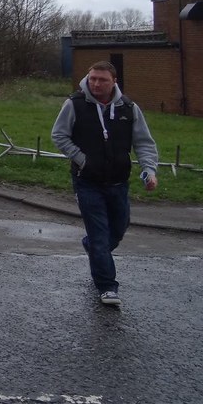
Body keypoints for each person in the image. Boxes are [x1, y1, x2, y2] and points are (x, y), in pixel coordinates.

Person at [51, 61, 159, 307]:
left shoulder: (129, 108)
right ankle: (107, 286)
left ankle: (92, 248)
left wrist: (149, 171)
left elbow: (143, 142)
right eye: (92, 79)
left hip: (119, 182)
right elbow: (59, 135)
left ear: (114, 82)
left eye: (102, 80)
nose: (96, 84)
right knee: (100, 235)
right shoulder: (75, 104)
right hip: (87, 181)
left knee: (118, 230)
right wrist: (82, 159)